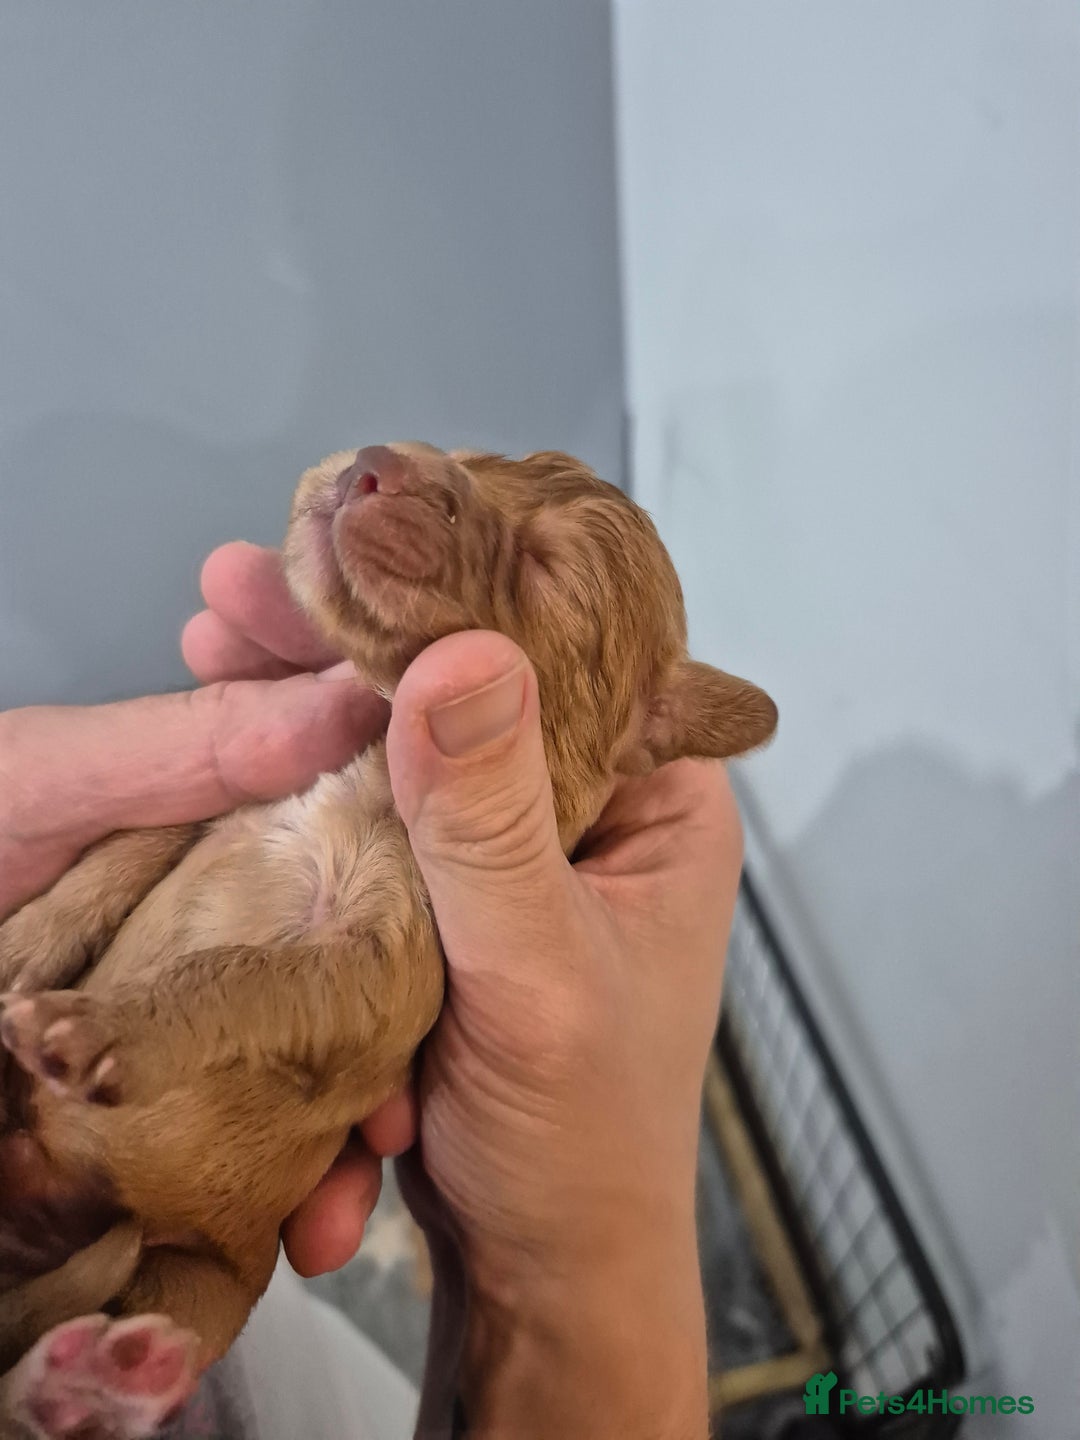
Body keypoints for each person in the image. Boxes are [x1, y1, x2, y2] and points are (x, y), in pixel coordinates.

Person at [0, 541, 745, 1440]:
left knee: (193, 1301)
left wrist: (154, 1022)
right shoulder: (319, 746)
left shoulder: (440, 900)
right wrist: (38, 936)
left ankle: (70, 1396)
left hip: (177, 1235)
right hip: (37, 1083)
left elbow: (344, 987)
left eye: (541, 570)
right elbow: (152, 847)